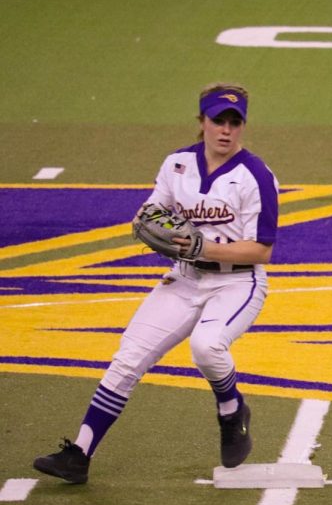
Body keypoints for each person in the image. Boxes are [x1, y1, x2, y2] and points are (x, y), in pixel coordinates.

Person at [34, 83, 279, 484]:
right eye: (219, 120)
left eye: (236, 122)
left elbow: (262, 251)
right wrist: (148, 222)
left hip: (237, 285)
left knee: (206, 346)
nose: (227, 130)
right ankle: (78, 455)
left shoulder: (256, 176)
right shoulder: (177, 164)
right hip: (183, 280)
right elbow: (153, 209)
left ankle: (232, 409)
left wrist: (204, 246)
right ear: (201, 122)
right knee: (128, 357)